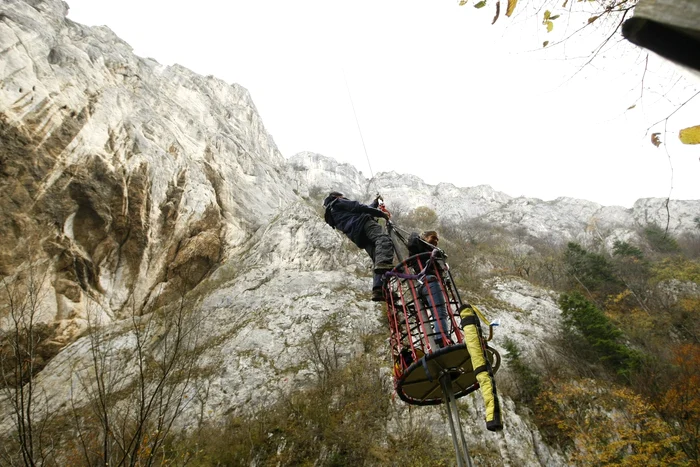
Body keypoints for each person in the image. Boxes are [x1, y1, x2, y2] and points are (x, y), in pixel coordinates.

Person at [323, 191, 395, 301]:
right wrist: (381, 214)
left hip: (358, 236)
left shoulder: (333, 214)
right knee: (383, 239)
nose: (344, 197)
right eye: (343, 196)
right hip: (363, 223)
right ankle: (384, 263)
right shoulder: (338, 202)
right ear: (337, 196)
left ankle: (378, 289)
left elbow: (363, 210)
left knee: (377, 257)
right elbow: (359, 207)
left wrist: (375, 203)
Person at [407, 230, 451, 348]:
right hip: (429, 281)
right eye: (433, 238)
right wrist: (417, 234)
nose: (436, 241)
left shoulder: (427, 252)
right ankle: (442, 339)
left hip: (424, 284)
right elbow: (412, 242)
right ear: (424, 237)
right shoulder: (419, 247)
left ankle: (439, 339)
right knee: (439, 311)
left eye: (437, 239)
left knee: (435, 311)